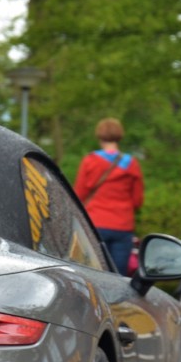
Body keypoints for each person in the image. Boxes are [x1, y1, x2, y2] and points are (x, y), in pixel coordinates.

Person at [75, 118, 144, 275]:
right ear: (120, 135)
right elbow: (138, 200)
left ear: (99, 136)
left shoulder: (90, 161)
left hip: (95, 223)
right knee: (118, 276)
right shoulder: (132, 163)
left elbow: (79, 195)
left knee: (93, 273)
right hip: (122, 225)